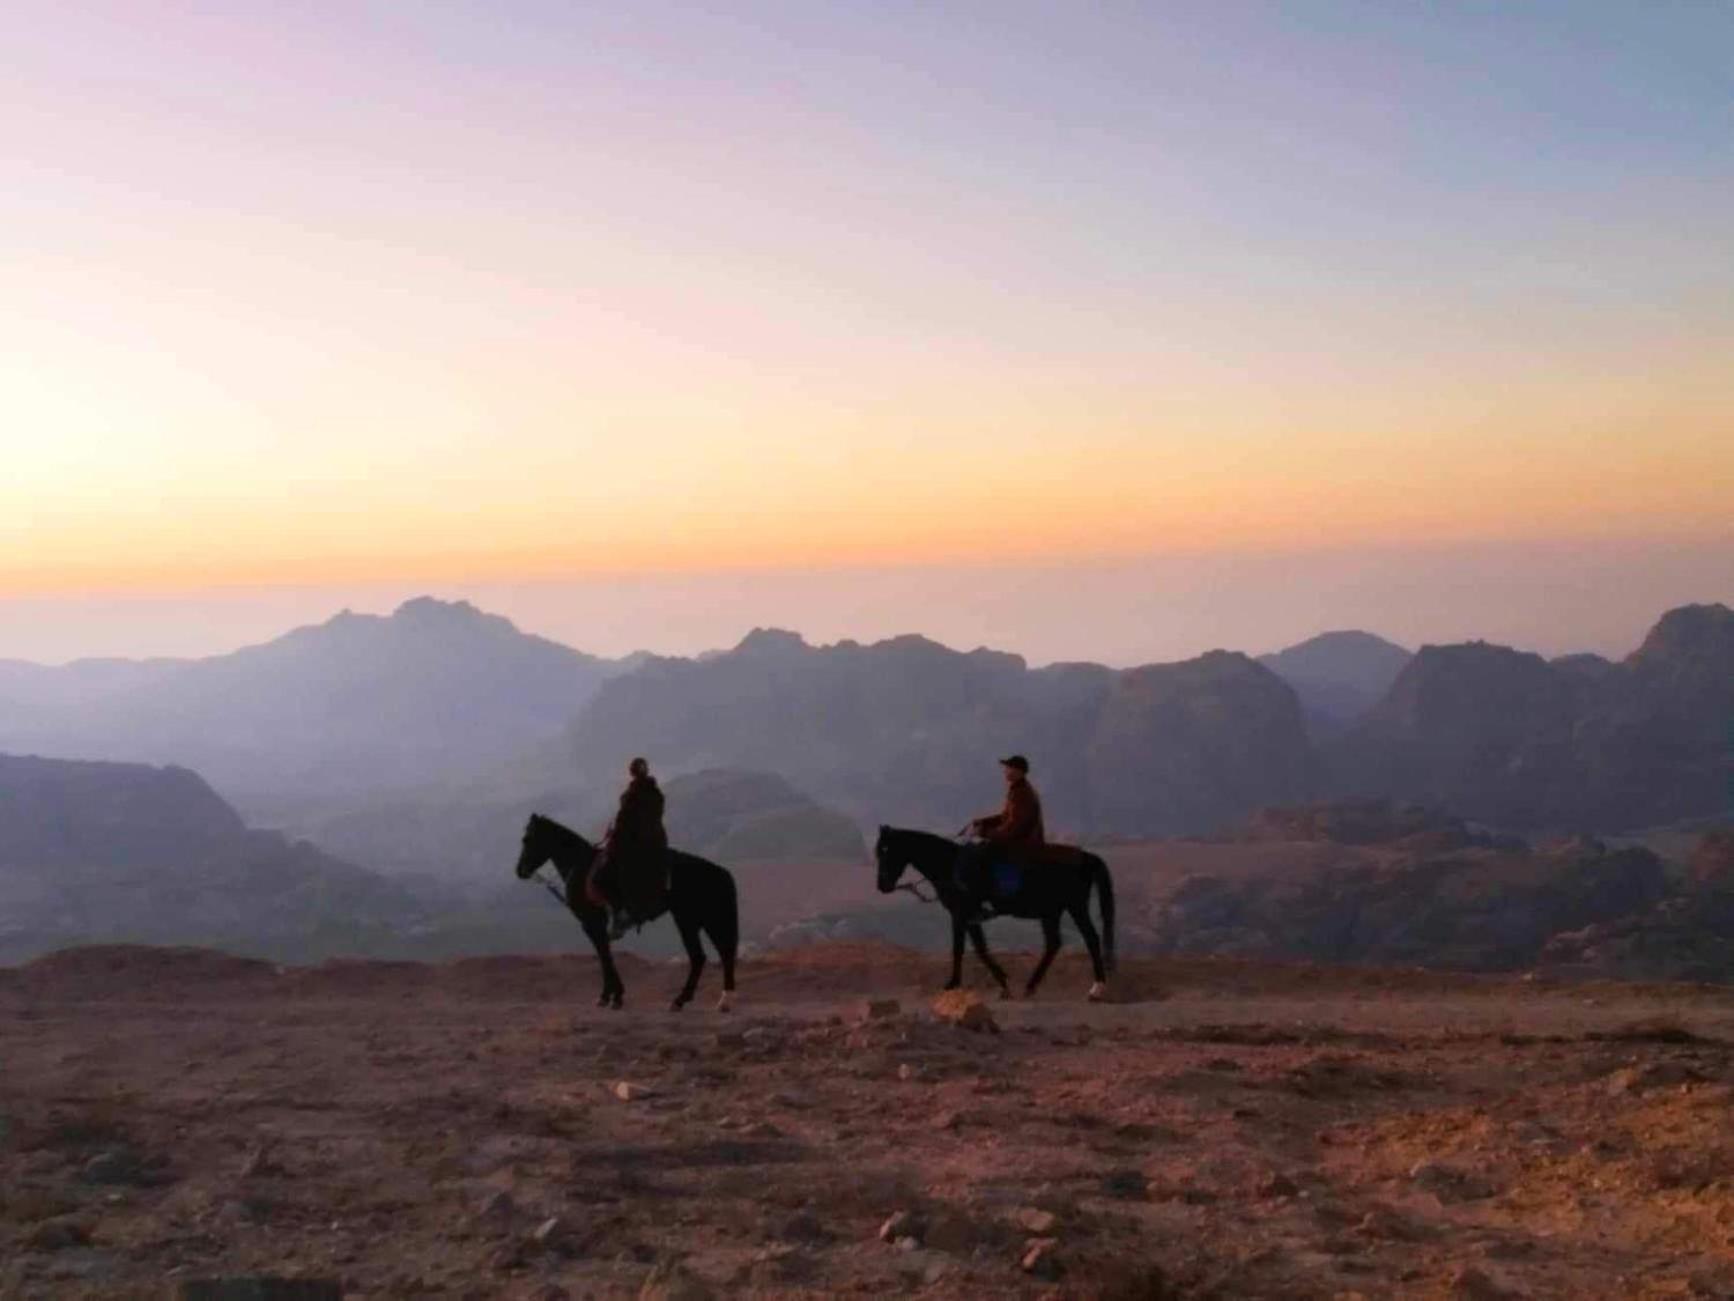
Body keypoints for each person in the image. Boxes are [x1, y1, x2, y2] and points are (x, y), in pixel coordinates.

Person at [589, 757, 670, 940]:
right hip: (657, 844)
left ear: (632, 772)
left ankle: (621, 916)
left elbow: (624, 823)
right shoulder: (657, 794)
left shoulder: (632, 795)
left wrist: (611, 839)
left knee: (602, 877)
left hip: (634, 845)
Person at [957, 755, 1046, 916]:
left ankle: (987, 902)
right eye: (1006, 768)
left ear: (1019, 771)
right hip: (1015, 838)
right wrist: (981, 822)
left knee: (979, 855)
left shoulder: (1023, 793)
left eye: (1009, 768)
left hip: (1022, 842)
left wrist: (986, 833)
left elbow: (1015, 827)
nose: (1005, 771)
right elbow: (1005, 817)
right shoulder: (1016, 789)